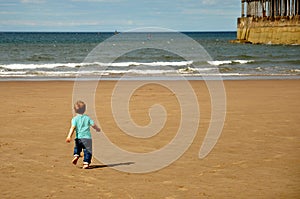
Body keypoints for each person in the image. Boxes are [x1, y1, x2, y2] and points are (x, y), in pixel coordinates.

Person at [66, 100, 100, 169]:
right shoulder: (87, 118)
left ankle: (76, 155)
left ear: (75, 110)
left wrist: (69, 136)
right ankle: (86, 163)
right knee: (87, 150)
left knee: (77, 147)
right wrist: (97, 129)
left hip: (78, 138)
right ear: (84, 109)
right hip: (87, 138)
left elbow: (72, 128)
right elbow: (93, 125)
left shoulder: (74, 119)